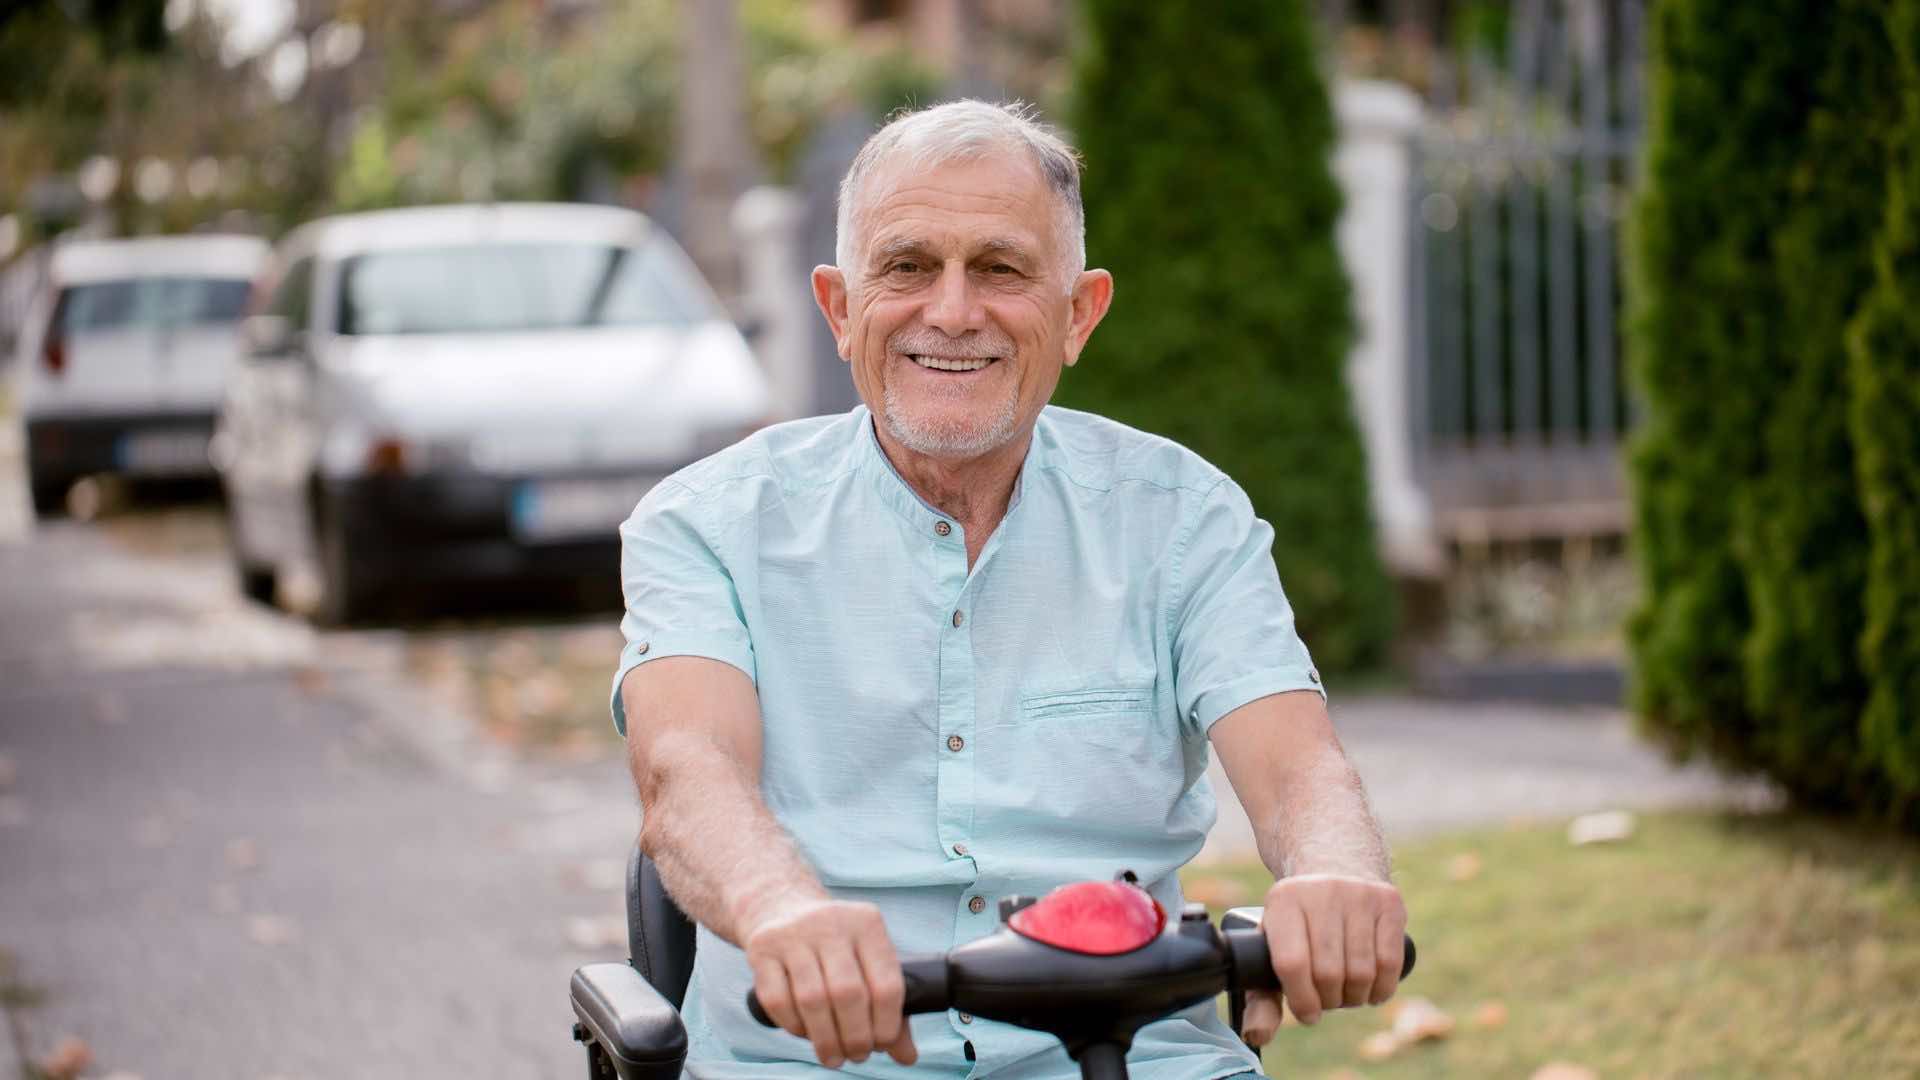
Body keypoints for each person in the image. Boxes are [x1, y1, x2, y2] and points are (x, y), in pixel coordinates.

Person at [612, 99, 1405, 1079]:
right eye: (906, 267)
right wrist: (783, 909)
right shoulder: (706, 524)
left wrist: (1335, 870)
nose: (951, 312)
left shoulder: (1185, 519)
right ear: (839, 307)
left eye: (1001, 269)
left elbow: (1299, 772)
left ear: (1079, 314)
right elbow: (689, 775)